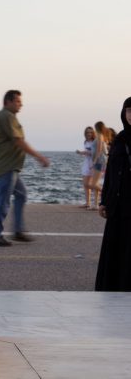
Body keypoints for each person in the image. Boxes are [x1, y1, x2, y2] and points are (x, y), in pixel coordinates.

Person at [0, 90, 50, 246]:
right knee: (3, 201)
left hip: (7, 165)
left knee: (21, 195)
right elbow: (18, 141)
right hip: (7, 166)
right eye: (18, 101)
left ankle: (18, 231)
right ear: (8, 102)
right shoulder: (7, 116)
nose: (21, 104)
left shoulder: (0, 117)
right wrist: (39, 157)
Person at [95, 98, 131, 291]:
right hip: (117, 203)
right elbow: (110, 172)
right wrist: (103, 201)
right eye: (128, 111)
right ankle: (113, 287)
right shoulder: (120, 139)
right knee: (116, 246)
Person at [88, 121, 109, 209]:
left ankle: (108, 194)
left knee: (93, 184)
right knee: (95, 183)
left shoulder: (100, 136)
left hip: (99, 161)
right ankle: (95, 205)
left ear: (97, 127)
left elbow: (99, 149)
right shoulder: (100, 136)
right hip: (99, 161)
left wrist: (94, 161)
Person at [76, 126, 96, 208]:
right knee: (85, 184)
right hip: (86, 164)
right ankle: (88, 203)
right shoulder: (85, 142)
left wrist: (82, 152)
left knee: (92, 184)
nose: (89, 134)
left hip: (93, 164)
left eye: (91, 132)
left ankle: (96, 202)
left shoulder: (94, 142)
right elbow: (87, 152)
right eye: (87, 132)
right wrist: (82, 153)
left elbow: (94, 153)